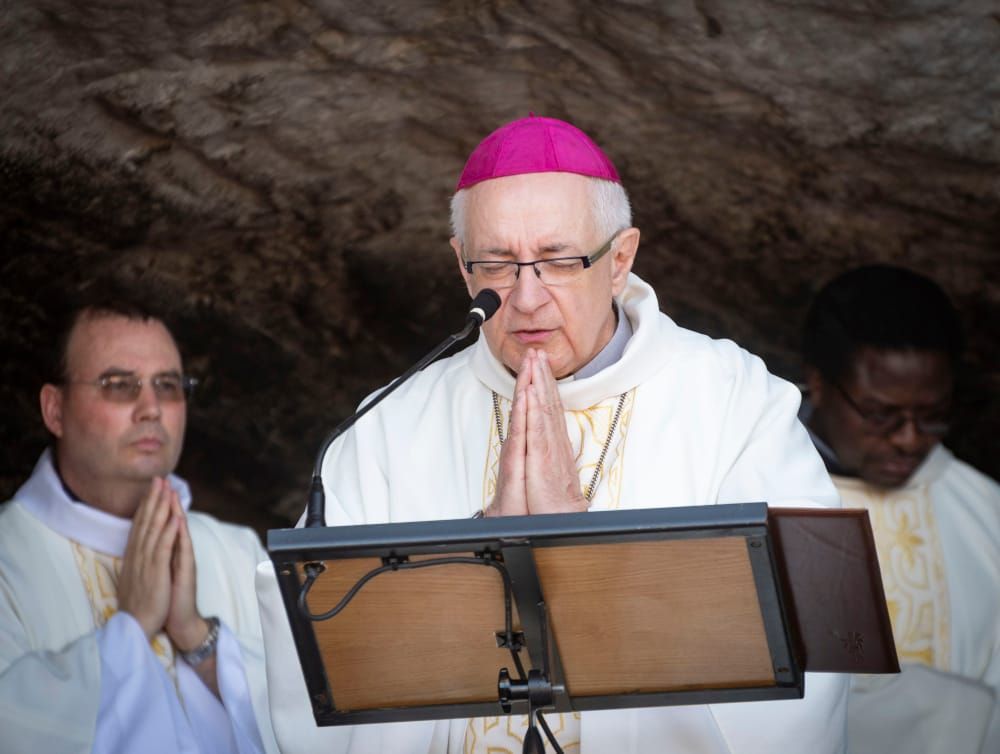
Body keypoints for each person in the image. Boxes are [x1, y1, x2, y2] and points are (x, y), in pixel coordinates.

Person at [258, 114, 848, 752]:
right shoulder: (390, 424)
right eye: (498, 264)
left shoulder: (733, 403)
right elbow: (312, 635)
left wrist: (582, 554)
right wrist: (476, 554)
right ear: (462, 266)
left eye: (559, 261)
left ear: (620, 260)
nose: (526, 298)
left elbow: (803, 644)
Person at [0, 285, 278, 754]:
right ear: (54, 409)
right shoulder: (9, 556)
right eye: (119, 385)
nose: (151, 408)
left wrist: (199, 639)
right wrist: (130, 630)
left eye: (167, 386)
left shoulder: (238, 551)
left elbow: (320, 721)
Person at [801, 265, 1000, 754]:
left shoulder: (985, 512)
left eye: (931, 416)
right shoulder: (751, 488)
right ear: (818, 385)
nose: (910, 440)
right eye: (881, 415)